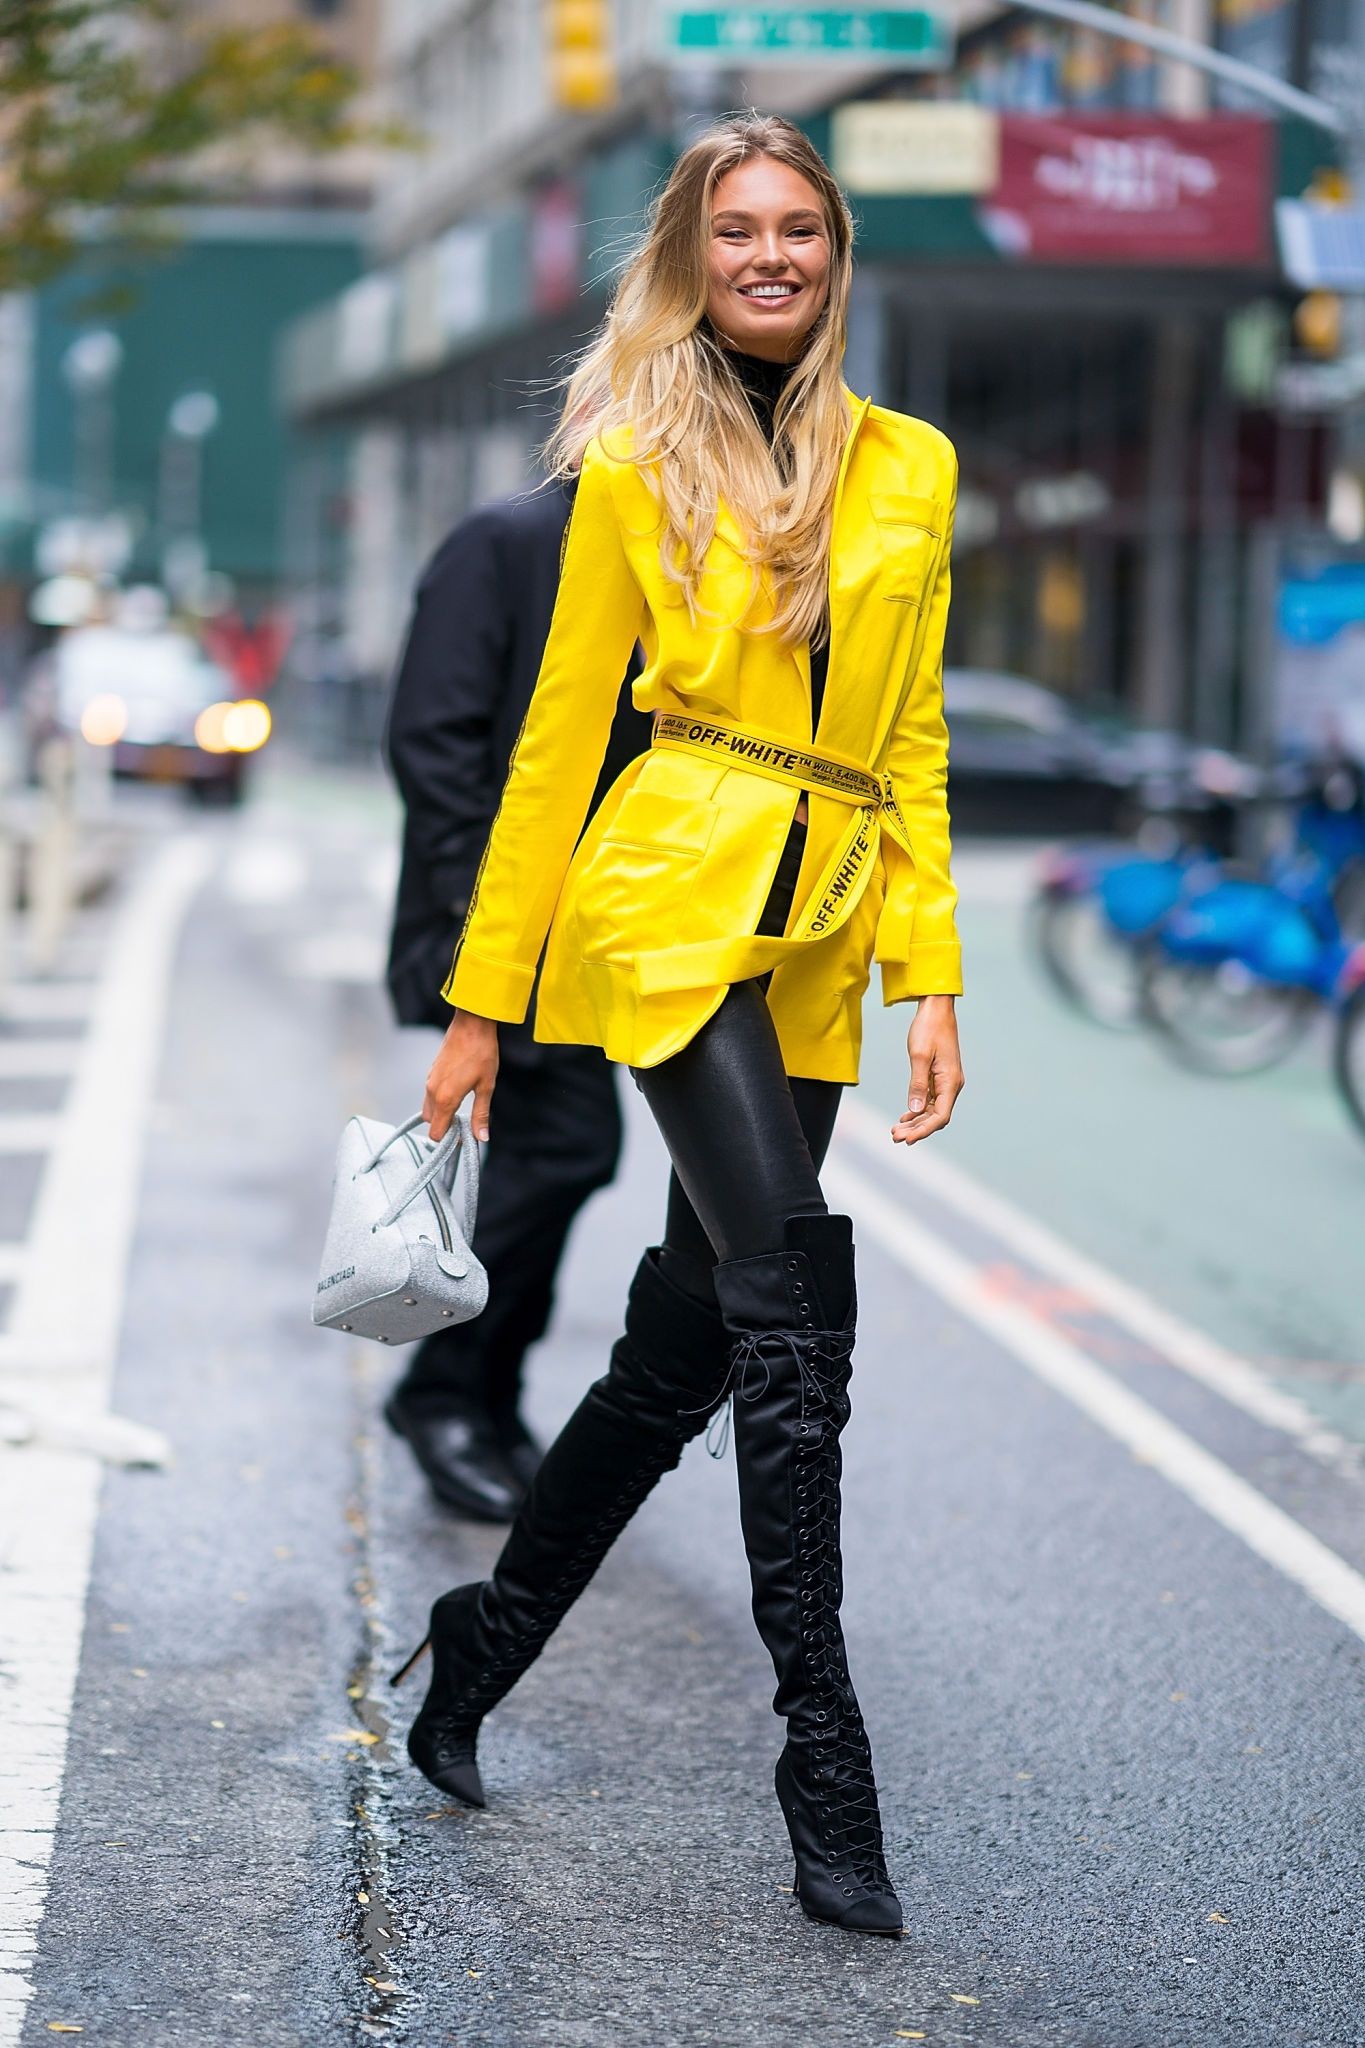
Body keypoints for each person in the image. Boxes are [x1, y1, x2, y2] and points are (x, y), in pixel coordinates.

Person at [392, 113, 965, 1937]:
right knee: (789, 1291)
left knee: (685, 1341)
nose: (772, 257)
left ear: (838, 251)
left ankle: (478, 1647)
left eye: (800, 227)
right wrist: (483, 1003)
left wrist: (929, 968)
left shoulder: (914, 468)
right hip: (665, 907)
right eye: (739, 232)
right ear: (693, 258)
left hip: (820, 929)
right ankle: (826, 1761)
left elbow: (915, 737)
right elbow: (559, 749)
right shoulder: (639, 465)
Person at [384, 487, 647, 1519]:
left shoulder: (664, 553)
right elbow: (432, 739)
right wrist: (482, 922)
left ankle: (482, 1395)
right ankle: (445, 1391)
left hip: (595, 930)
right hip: (500, 923)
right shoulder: (507, 539)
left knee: (544, 1154)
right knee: (565, 1146)